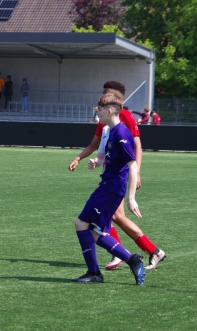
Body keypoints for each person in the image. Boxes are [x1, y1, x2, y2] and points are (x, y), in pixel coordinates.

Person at [69, 81, 166, 270]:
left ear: (117, 98)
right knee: (114, 216)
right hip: (109, 176)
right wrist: (79, 158)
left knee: (112, 216)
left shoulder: (126, 118)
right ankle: (149, 251)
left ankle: (127, 254)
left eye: (107, 94)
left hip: (118, 177)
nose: (103, 99)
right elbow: (97, 145)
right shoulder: (105, 120)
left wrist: (136, 174)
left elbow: (136, 146)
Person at [71, 93, 145, 285]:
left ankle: (94, 272)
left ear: (110, 111)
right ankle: (131, 259)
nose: (98, 115)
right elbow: (113, 160)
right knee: (94, 233)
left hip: (111, 189)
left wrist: (131, 198)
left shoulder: (121, 133)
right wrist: (97, 162)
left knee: (81, 224)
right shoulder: (111, 131)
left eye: (100, 111)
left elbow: (132, 165)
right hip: (107, 186)